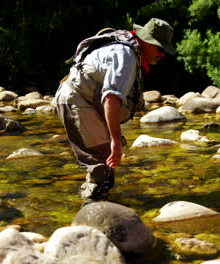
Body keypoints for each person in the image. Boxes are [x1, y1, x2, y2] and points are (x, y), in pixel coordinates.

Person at [55, 18, 176, 203]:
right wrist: (116, 141)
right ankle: (90, 217)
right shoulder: (126, 56)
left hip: (83, 100)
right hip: (75, 100)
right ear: (147, 41)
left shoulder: (130, 49)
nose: (162, 55)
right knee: (102, 168)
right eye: (160, 49)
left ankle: (92, 207)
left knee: (105, 171)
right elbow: (110, 99)